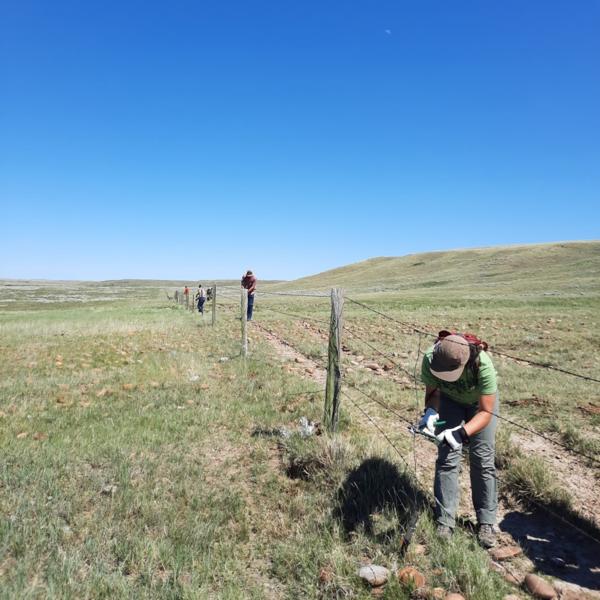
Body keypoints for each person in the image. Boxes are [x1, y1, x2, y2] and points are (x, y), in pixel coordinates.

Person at [419, 331, 498, 548]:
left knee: (482, 459)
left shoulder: (482, 365)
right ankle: (445, 520)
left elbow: (486, 411)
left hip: (479, 407)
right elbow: (433, 393)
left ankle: (487, 522)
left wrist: (461, 434)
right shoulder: (431, 358)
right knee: (447, 458)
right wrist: (430, 413)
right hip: (449, 402)